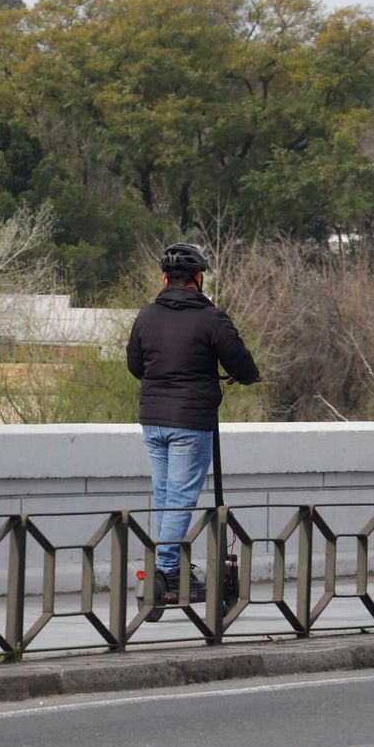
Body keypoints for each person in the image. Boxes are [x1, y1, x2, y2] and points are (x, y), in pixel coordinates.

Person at [126, 242, 260, 605]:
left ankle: (167, 567)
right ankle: (167, 571)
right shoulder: (210, 318)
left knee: (165, 496)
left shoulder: (146, 316)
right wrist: (244, 376)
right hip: (191, 420)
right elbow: (242, 363)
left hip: (153, 421)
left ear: (165, 279)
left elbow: (136, 367)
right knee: (181, 498)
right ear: (197, 279)